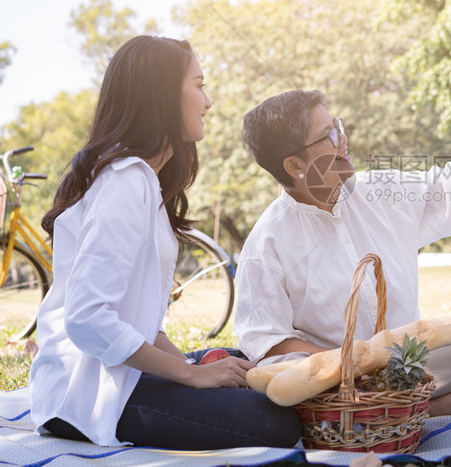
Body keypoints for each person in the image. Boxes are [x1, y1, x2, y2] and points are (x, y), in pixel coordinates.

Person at [28, 35, 301, 450]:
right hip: (89, 395)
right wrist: (191, 374)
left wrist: (195, 367)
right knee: (274, 421)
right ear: (161, 97)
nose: (207, 102)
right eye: (199, 85)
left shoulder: (143, 182)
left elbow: (138, 323)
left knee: (242, 363)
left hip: (123, 375)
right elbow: (86, 319)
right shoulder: (125, 181)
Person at [235, 76, 451, 416]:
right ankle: (427, 407)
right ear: (295, 166)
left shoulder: (380, 190)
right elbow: (269, 343)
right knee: (291, 377)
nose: (343, 139)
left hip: (409, 362)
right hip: (336, 377)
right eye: (328, 135)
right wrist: (354, 362)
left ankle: (395, 403)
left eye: (338, 126)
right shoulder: (267, 242)